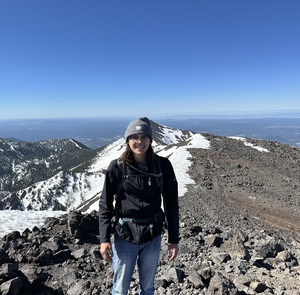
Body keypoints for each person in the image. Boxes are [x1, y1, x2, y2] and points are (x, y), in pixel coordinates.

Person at [99, 117, 179, 295]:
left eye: (144, 137)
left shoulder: (162, 166)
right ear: (127, 140)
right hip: (125, 237)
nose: (139, 142)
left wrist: (174, 239)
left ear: (150, 139)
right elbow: (105, 204)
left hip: (152, 236)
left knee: (148, 288)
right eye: (134, 137)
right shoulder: (117, 168)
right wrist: (104, 240)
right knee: (120, 289)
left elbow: (172, 204)